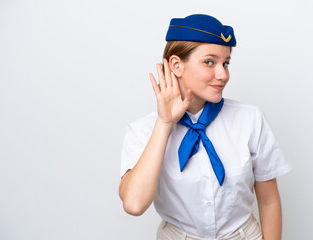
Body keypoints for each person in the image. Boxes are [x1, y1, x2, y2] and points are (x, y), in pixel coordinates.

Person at [119, 14, 292, 240]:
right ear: (176, 65)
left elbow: (269, 201)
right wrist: (165, 124)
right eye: (209, 62)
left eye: (226, 63)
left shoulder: (250, 119)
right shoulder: (141, 131)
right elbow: (134, 204)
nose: (223, 75)